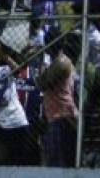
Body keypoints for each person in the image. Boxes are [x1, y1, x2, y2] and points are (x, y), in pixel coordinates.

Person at [36, 33, 79, 167]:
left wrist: (40, 62)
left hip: (62, 116)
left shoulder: (61, 61)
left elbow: (41, 84)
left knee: (57, 161)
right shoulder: (57, 61)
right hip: (56, 116)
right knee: (53, 159)